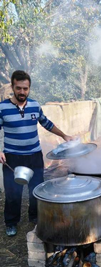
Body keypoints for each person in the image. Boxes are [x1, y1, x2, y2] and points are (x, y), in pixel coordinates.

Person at [0, 70, 73, 237]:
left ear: (29, 88)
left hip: (34, 155)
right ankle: (11, 222)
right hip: (13, 157)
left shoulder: (34, 105)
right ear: (12, 86)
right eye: (18, 88)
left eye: (25, 88)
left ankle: (34, 216)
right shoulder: (2, 108)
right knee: (13, 193)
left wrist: (64, 135)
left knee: (37, 189)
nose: (22, 92)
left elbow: (46, 123)